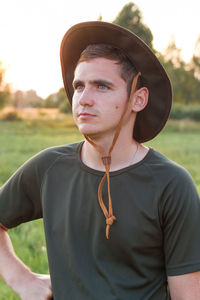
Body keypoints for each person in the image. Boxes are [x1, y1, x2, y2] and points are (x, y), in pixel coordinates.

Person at [0, 21, 200, 300]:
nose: (83, 98)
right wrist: (22, 280)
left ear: (138, 99)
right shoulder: (49, 168)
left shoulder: (172, 184)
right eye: (79, 86)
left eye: (101, 87)